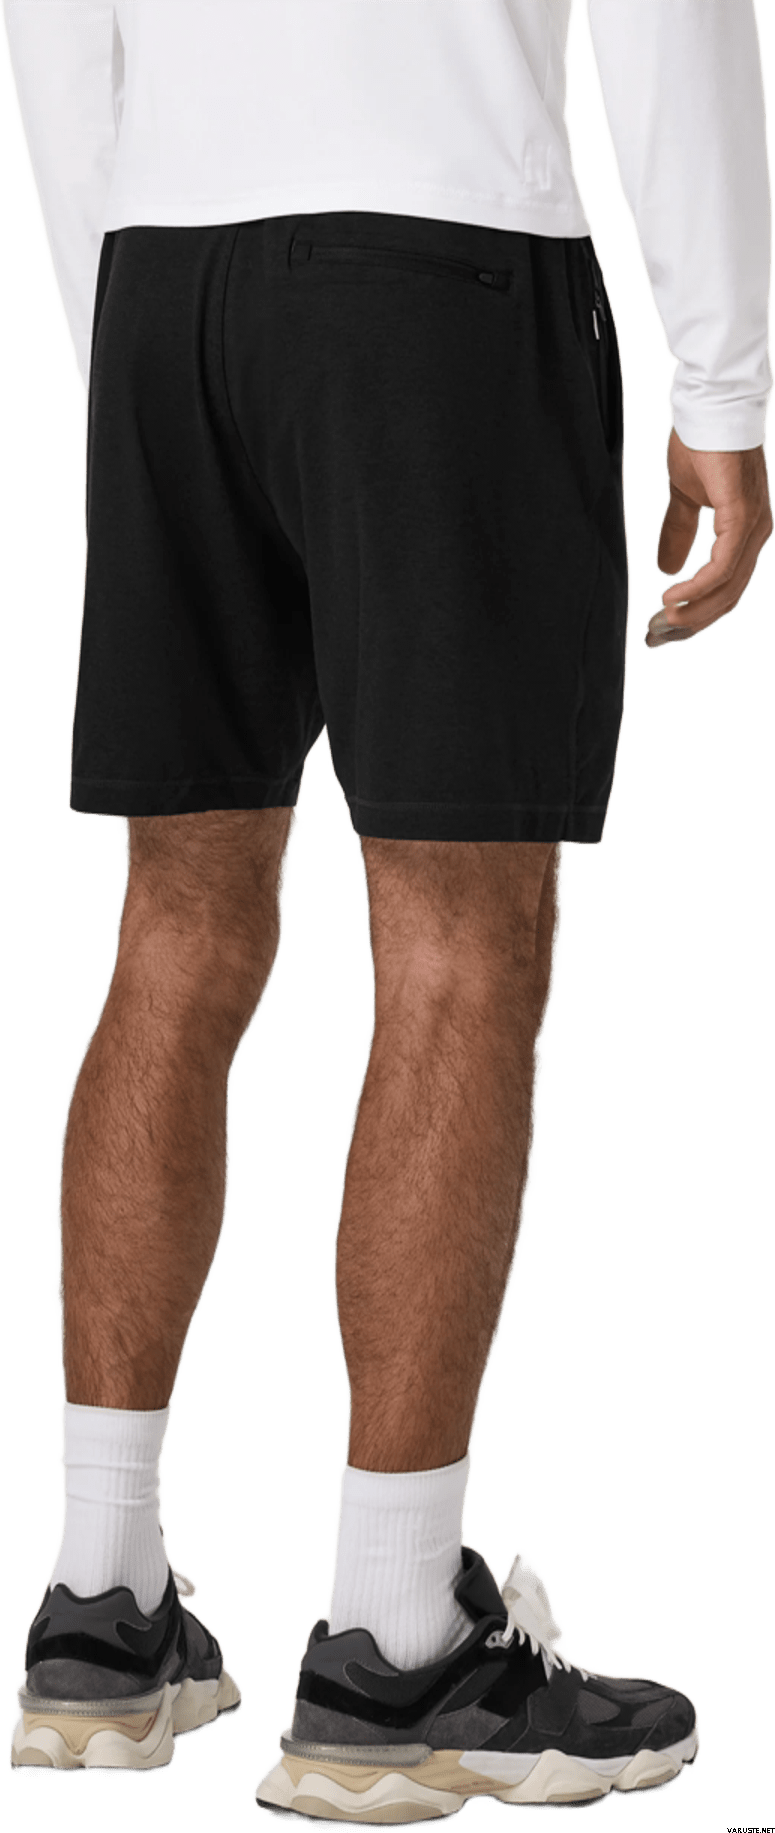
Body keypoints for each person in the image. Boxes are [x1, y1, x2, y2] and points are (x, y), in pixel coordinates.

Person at [3, 0, 773, 1817]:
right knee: (458, 951)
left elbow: (49, 24)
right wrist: (725, 386)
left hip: (167, 280)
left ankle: (99, 1614)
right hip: (445, 279)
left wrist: (122, 327)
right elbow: (667, 19)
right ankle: (393, 1648)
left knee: (175, 926)